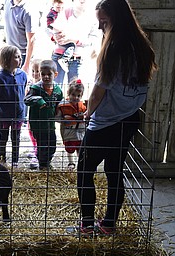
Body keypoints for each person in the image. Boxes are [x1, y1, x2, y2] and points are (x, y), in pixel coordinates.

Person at [76, 0, 157, 235]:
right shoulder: (141, 45)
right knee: (114, 171)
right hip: (130, 117)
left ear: (115, 19)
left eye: (104, 22)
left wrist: (88, 112)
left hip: (106, 122)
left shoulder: (113, 48)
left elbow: (99, 90)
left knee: (84, 171)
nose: (101, 27)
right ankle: (109, 224)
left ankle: (88, 224)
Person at [24, 60, 63, 170]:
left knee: (52, 145)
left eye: (49, 74)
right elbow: (26, 100)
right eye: (43, 74)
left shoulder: (57, 90)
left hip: (50, 124)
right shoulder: (36, 89)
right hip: (38, 124)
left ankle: (47, 162)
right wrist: (39, 100)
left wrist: (60, 112)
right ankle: (42, 165)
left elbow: (60, 102)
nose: (46, 77)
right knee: (42, 146)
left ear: (55, 74)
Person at [52, 0, 99, 87]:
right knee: (56, 87)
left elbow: (93, 39)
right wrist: (56, 36)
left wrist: (74, 40)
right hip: (59, 55)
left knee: (75, 89)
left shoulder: (92, 17)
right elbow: (55, 29)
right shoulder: (66, 11)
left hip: (77, 57)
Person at [0, 45, 27, 167]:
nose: (20, 59)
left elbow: (24, 90)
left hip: (18, 113)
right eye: (16, 57)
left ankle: (15, 161)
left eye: (19, 56)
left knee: (16, 138)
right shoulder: (1, 78)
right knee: (3, 137)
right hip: (4, 114)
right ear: (7, 60)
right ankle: (2, 160)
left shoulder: (22, 74)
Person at [56, 78, 86, 170]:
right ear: (68, 93)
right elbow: (57, 118)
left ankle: (80, 162)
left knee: (80, 148)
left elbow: (86, 115)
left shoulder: (83, 105)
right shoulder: (62, 105)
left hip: (80, 132)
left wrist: (84, 117)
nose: (76, 97)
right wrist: (63, 120)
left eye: (78, 96)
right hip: (68, 132)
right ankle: (71, 162)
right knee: (69, 149)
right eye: (73, 95)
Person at [4, 0, 40, 74]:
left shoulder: (28, 11)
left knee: (19, 83)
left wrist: (26, 65)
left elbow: (31, 40)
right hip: (9, 51)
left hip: (22, 55)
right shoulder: (8, 2)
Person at [26, 58, 42, 169]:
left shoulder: (43, 85)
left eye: (38, 71)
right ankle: (34, 147)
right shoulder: (30, 83)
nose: (35, 74)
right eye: (33, 71)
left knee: (38, 133)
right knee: (30, 130)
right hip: (31, 113)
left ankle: (38, 153)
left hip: (40, 115)